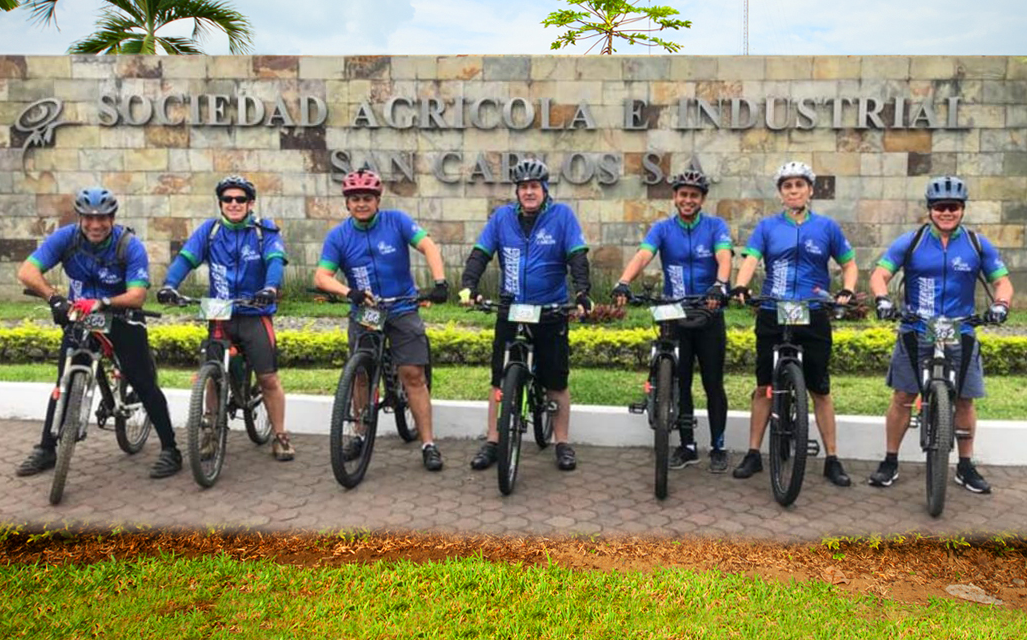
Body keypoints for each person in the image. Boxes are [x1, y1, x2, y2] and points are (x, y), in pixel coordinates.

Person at [16, 187, 182, 479]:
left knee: (144, 383)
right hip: (79, 317)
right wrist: (54, 298)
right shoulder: (66, 238)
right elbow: (27, 271)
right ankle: (46, 448)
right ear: (79, 217)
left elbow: (137, 295)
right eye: (89, 218)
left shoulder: (129, 245)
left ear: (113, 218)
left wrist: (103, 302)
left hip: (121, 317)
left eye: (103, 218)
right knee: (63, 381)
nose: (95, 225)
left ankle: (171, 449)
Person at [868, 175, 1013, 494]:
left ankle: (965, 465)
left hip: (961, 329)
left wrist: (1001, 304)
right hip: (916, 328)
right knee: (903, 397)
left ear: (962, 209)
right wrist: (882, 298)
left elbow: (1002, 280)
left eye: (953, 207)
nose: (946, 212)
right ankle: (890, 461)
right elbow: (880, 274)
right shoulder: (912, 241)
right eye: (940, 207)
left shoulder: (976, 244)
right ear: (930, 209)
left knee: (964, 399)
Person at [458, 157, 593, 472]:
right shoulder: (502, 218)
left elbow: (577, 257)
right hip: (511, 308)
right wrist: (468, 285)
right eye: (523, 187)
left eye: (534, 186)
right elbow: (480, 254)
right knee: (498, 380)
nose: (529, 192)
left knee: (556, 381)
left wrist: (583, 292)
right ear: (517, 191)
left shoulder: (562, 217)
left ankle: (561, 442)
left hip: (550, 310)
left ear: (544, 189)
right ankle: (493, 440)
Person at [729, 161, 858, 487]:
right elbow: (751, 260)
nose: (794, 191)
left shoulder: (827, 227)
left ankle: (832, 458)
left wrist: (847, 289)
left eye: (799, 185)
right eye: (787, 186)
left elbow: (849, 264)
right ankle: (753, 453)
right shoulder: (768, 227)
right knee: (763, 387)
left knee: (820, 389)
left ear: (810, 190)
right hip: (773, 309)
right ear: (781, 193)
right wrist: (742, 285)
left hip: (812, 310)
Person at [312, 167, 449, 471]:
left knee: (413, 374)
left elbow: (427, 245)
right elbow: (322, 276)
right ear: (347, 203)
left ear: (378, 200)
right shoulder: (339, 236)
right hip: (367, 310)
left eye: (368, 198)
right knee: (360, 374)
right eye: (356, 198)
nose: (362, 203)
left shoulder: (396, 221)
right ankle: (359, 434)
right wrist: (350, 292)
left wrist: (440, 282)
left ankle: (428, 443)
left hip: (401, 306)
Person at [157, 175, 296, 461]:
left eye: (240, 199)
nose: (234, 204)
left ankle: (280, 435)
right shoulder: (209, 231)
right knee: (211, 373)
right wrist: (170, 284)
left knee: (268, 378)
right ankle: (210, 431)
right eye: (228, 199)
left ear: (250, 203)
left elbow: (274, 261)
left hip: (254, 311)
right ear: (220, 203)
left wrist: (270, 288)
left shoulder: (264, 231)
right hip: (219, 312)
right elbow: (186, 259)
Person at [611, 168, 734, 473]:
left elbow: (724, 256)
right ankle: (688, 446)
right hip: (675, 312)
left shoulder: (715, 226)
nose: (688, 200)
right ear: (675, 197)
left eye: (694, 195)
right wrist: (624, 281)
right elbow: (644, 255)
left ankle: (718, 446)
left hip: (708, 311)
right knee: (681, 382)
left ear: (702, 199)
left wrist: (720, 285)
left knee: (712, 383)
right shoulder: (663, 229)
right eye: (683, 194)